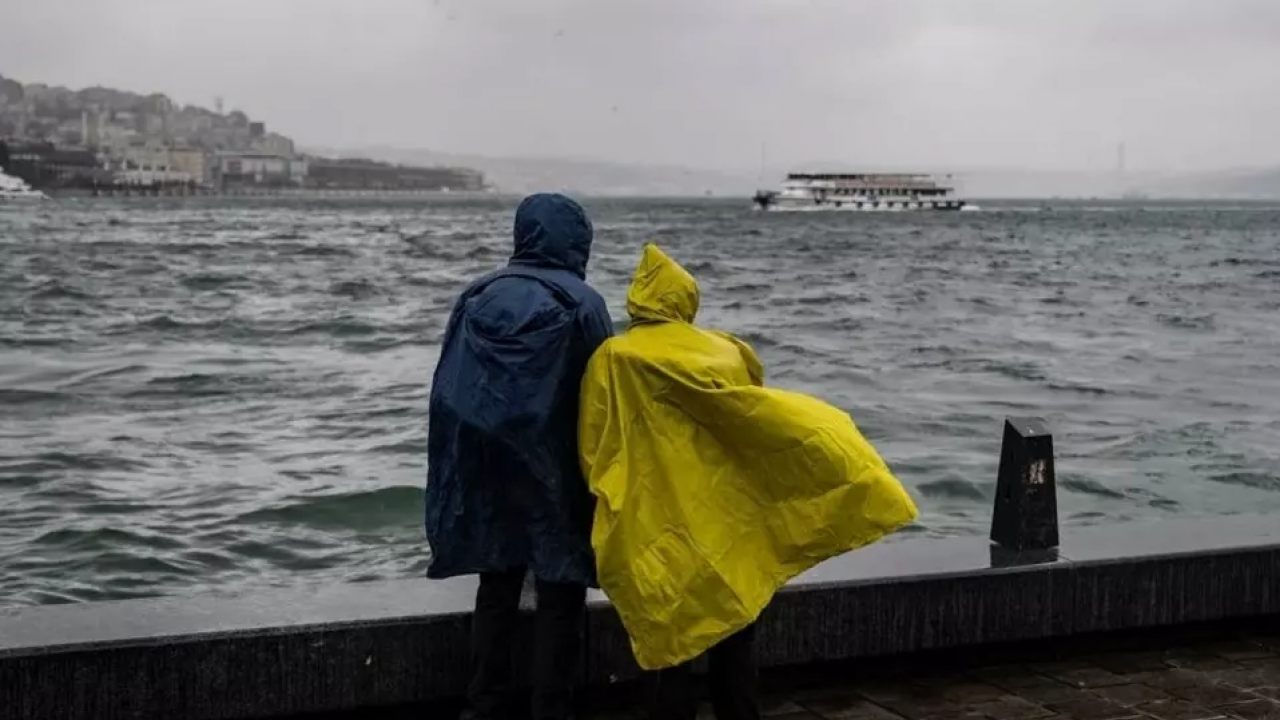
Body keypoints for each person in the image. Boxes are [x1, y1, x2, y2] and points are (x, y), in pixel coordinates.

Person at [578, 243, 919, 720]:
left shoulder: (613, 358)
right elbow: (751, 420)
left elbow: (595, 446)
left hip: (654, 520)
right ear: (685, 299)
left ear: (638, 298)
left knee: (667, 641)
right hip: (724, 514)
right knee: (734, 633)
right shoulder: (726, 349)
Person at [425, 193, 613, 720]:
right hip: (553, 466)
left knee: (496, 581)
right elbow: (603, 393)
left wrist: (454, 465)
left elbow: (446, 386)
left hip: (484, 464)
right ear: (577, 242)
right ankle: (552, 708)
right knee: (560, 591)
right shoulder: (583, 302)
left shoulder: (475, 295)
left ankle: (484, 703)